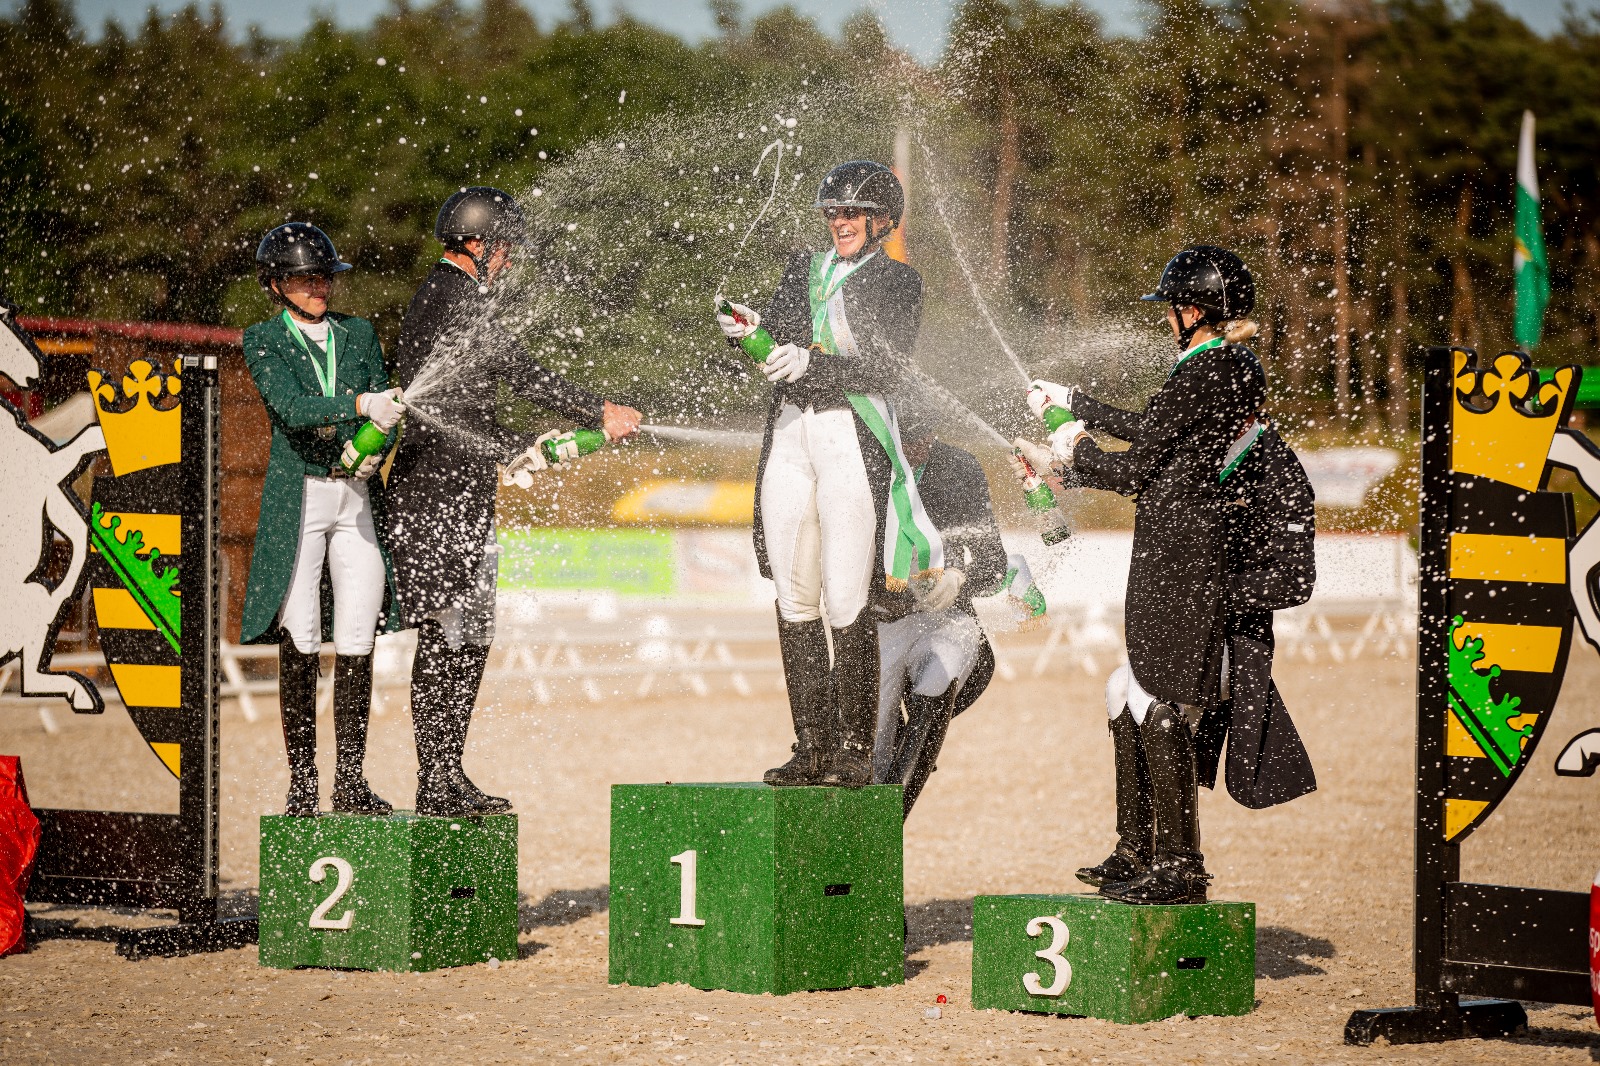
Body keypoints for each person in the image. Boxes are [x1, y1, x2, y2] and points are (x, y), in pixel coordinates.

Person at [1015, 244, 1266, 904]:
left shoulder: (1208, 371)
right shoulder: (1219, 368)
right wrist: (1073, 409)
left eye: (1171, 310)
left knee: (1160, 704)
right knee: (1123, 691)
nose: (1165, 321)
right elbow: (1153, 438)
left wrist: (1069, 439)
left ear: (1192, 310)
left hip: (1183, 561)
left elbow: (1136, 468)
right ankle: (1135, 851)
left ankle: (1181, 865)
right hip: (1175, 554)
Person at [384, 187, 641, 818]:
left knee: (472, 633)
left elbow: (482, 389)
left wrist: (515, 446)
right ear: (479, 243)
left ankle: (447, 770)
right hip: (433, 489)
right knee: (449, 633)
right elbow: (513, 368)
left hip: (462, 482)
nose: (506, 262)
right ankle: (436, 778)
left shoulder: (454, 297)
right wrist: (594, 409)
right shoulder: (449, 296)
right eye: (504, 250)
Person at [716, 161, 943, 789]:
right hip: (790, 434)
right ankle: (809, 745)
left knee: (846, 595)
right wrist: (748, 335)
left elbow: (886, 369)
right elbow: (778, 341)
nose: (839, 222)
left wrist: (810, 363)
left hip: (850, 434)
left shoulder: (901, 281)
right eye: (834, 213)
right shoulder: (801, 269)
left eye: (852, 213)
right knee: (795, 594)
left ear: (879, 221)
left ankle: (851, 748)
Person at [239, 222, 406, 817]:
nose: (318, 287)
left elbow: (389, 409)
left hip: (355, 495)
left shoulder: (359, 333)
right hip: (302, 497)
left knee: (359, 636)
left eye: (322, 277)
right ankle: (303, 781)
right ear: (277, 284)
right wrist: (358, 404)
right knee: (303, 636)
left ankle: (353, 781)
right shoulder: (262, 339)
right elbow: (290, 408)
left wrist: (375, 445)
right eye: (305, 279)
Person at [869, 398, 1010, 819]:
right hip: (884, 619)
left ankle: (891, 823)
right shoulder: (866, 466)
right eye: (909, 439)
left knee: (936, 684)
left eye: (927, 436)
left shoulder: (961, 468)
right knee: (874, 749)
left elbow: (994, 562)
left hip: (950, 619)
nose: (921, 447)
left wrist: (961, 576)